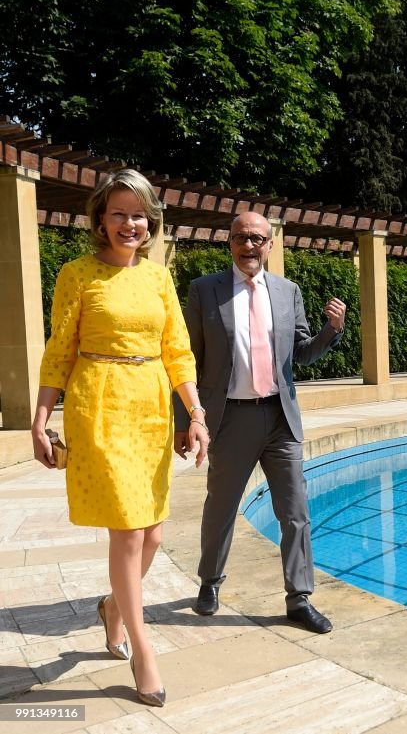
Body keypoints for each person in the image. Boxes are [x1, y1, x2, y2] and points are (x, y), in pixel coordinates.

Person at [31, 169, 210, 708]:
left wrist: (195, 413)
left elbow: (178, 350)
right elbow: (59, 350)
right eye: (118, 213)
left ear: (150, 221)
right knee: (129, 533)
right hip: (99, 403)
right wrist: (39, 420)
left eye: (139, 214)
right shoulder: (76, 274)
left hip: (151, 404)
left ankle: (113, 608)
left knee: (152, 533)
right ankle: (144, 649)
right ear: (100, 220)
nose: (129, 224)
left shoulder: (158, 279)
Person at [173, 211, 346, 634]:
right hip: (230, 419)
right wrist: (184, 421)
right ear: (229, 243)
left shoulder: (288, 291)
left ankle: (299, 598)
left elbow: (302, 353)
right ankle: (210, 582)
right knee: (221, 506)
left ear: (270, 245)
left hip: (280, 418)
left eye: (257, 238)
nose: (249, 245)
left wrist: (332, 330)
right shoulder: (203, 290)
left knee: (296, 512)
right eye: (240, 238)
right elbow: (186, 361)